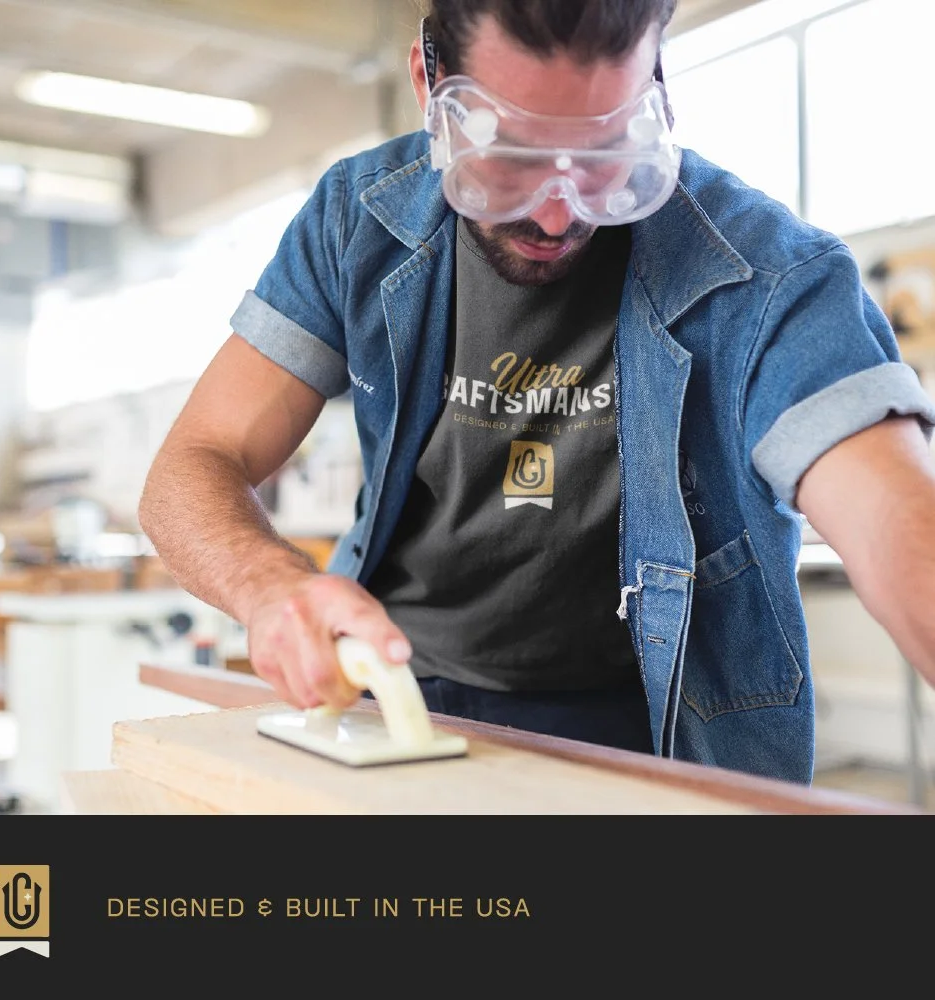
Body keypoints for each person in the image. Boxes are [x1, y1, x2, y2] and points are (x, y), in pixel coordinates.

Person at [138, 0, 935, 786]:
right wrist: (271, 590)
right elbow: (195, 462)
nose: (558, 212)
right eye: (512, 153)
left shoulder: (765, 276)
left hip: (660, 728)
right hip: (394, 695)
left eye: (605, 150)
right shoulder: (358, 223)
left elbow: (898, 525)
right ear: (429, 83)